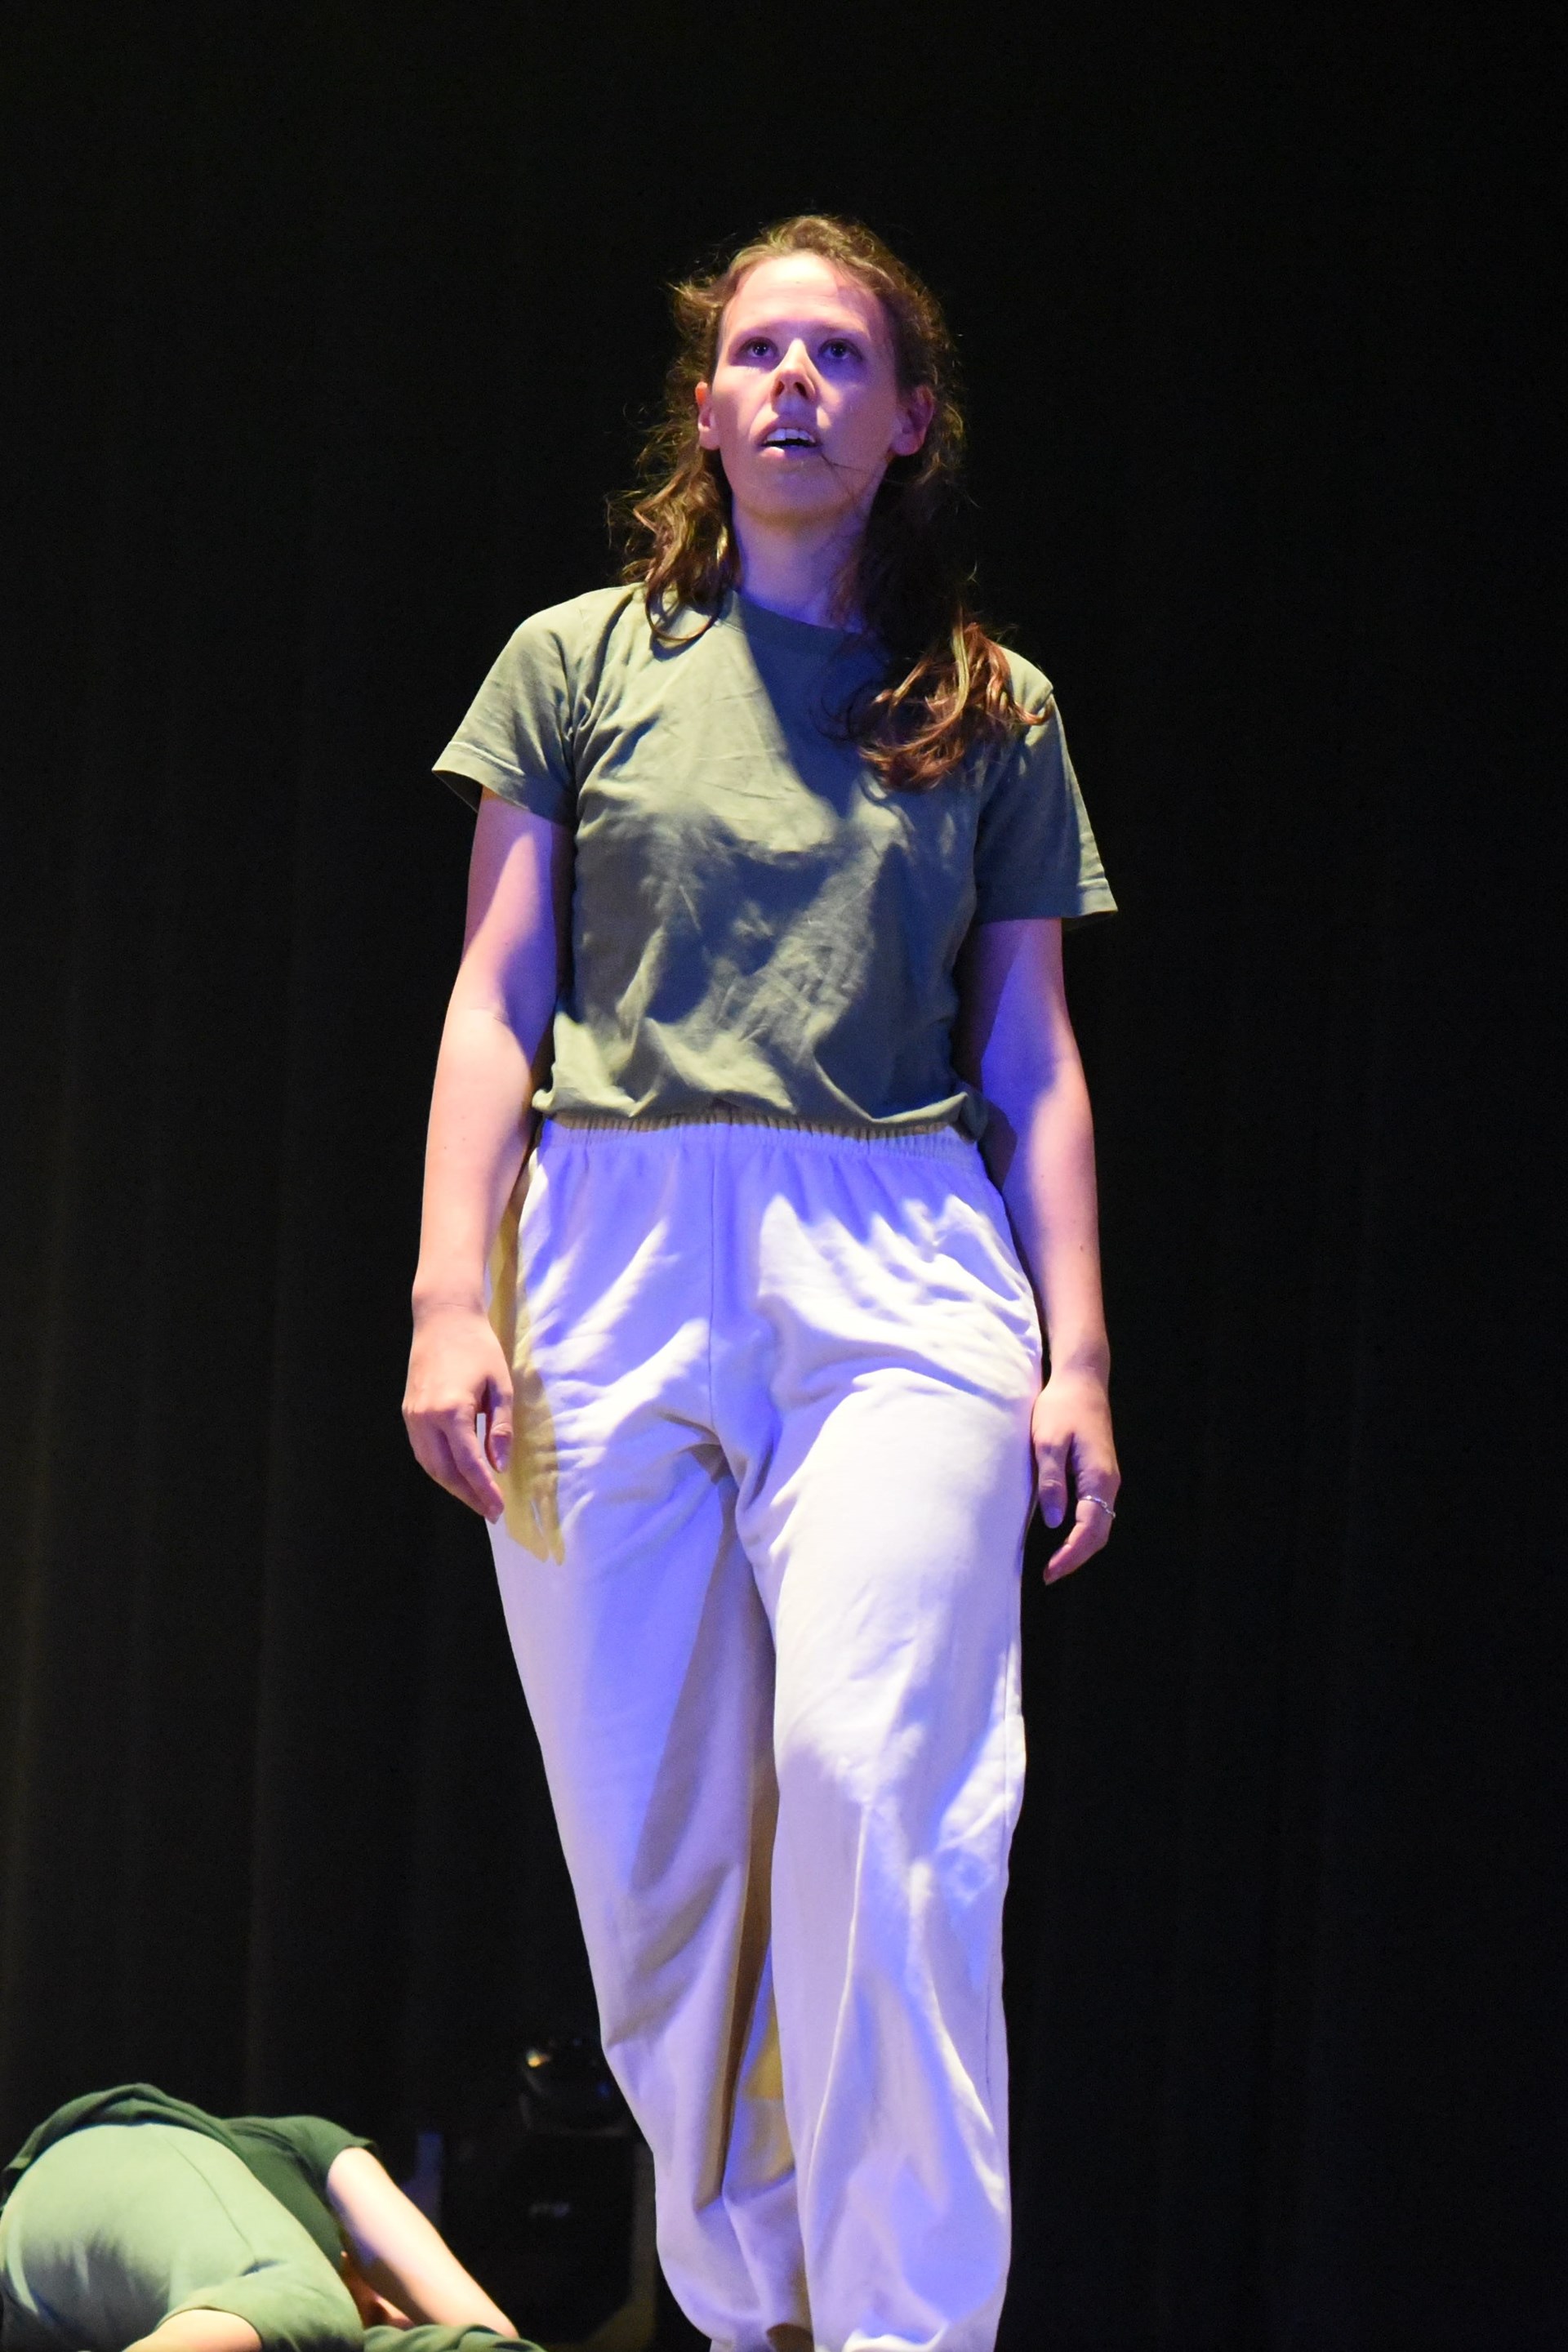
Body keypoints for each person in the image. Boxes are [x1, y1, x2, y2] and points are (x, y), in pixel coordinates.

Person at [403, 214, 1120, 2352]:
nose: (793, 382)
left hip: (894, 1262)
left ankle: (901, 2326)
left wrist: (1080, 1353)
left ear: (911, 421)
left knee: (882, 1794)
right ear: (708, 412)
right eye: (757, 354)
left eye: (841, 357)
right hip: (608, 1252)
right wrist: (450, 1293)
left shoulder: (989, 706)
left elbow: (1031, 1053)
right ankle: (761, 2310)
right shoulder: (576, 663)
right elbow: (495, 999)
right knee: (662, 1870)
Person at [0, 2082, 534, 2352]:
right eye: (384, 2312)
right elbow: (483, 2328)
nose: (394, 2319)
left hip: (56, 2305)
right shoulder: (301, 2145)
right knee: (297, 2301)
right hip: (115, 2168)